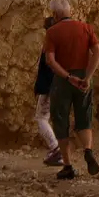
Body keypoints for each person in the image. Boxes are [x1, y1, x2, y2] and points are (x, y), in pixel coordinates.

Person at [44, 0, 99, 179]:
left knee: (61, 121)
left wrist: (68, 77)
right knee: (84, 117)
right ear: (70, 11)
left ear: (55, 14)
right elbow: (97, 52)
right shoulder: (86, 28)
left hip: (64, 80)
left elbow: (50, 61)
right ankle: (88, 149)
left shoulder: (52, 32)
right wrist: (88, 76)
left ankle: (68, 166)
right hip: (84, 78)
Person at [34, 14, 63, 166]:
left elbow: (47, 69)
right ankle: (57, 152)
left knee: (41, 118)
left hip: (48, 88)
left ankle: (56, 148)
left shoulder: (49, 44)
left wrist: (41, 88)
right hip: (58, 87)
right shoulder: (62, 44)